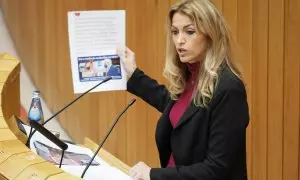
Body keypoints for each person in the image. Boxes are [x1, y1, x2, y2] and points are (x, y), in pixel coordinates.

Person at [120, 0, 249, 179]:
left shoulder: (229, 88)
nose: (179, 40)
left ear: (211, 34)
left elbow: (217, 169)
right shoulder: (191, 74)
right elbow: (180, 111)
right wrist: (133, 75)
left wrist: (153, 175)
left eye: (189, 32)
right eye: (175, 32)